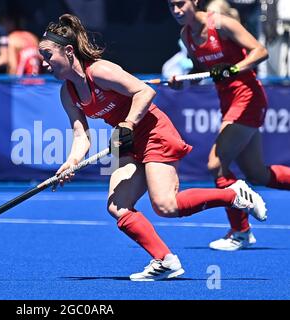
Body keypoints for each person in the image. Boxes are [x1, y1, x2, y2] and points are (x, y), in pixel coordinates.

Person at [39, 14, 266, 281]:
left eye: (47, 55)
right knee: (118, 206)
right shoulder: (67, 93)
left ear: (68, 51)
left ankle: (233, 195)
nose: (44, 63)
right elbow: (81, 136)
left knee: (166, 206)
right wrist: (70, 163)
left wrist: (127, 123)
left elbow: (145, 91)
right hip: (126, 140)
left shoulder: (100, 71)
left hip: (153, 132)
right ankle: (165, 261)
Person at [167, 0, 290, 251]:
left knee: (217, 164)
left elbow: (260, 51)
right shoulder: (186, 35)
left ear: (195, 2)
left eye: (181, 4)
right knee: (256, 173)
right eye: (171, 6)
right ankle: (241, 229)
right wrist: (184, 81)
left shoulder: (221, 24)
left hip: (248, 97)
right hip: (228, 100)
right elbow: (203, 70)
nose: (177, 11)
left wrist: (233, 69)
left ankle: (241, 232)